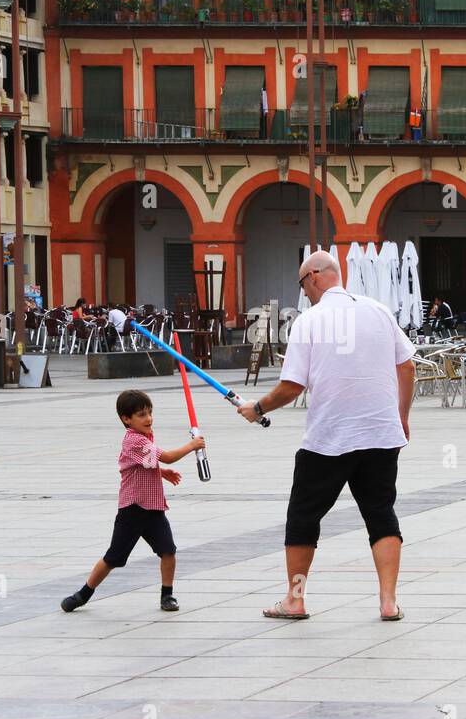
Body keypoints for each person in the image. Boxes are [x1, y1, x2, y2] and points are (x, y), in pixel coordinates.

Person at [236, 250, 415, 622]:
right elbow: (407, 364)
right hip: (381, 434)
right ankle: (388, 602)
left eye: (303, 285)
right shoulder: (379, 311)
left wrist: (258, 409)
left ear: (315, 277)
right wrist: (401, 415)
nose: (304, 293)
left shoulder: (310, 321)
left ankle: (295, 599)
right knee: (380, 513)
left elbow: (291, 386)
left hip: (329, 437)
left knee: (303, 516)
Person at [61, 390, 206, 614]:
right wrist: (192, 445)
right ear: (126, 419)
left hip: (154, 508)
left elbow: (148, 465)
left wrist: (162, 472)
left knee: (168, 551)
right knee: (113, 557)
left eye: (149, 413)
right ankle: (84, 593)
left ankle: (167, 594)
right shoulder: (133, 440)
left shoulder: (146, 437)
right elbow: (165, 455)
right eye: (141, 414)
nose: (148, 418)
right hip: (132, 509)